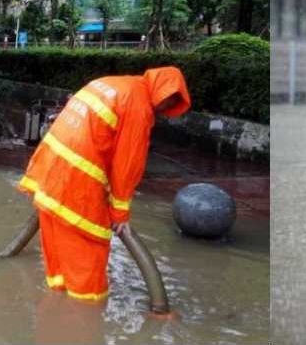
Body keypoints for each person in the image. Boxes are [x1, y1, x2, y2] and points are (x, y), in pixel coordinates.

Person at [18, 67, 190, 302]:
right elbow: (126, 166)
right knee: (90, 248)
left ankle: (56, 316)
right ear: (160, 88)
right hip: (74, 185)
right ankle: (86, 315)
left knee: (58, 260)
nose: (165, 107)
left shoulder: (114, 83)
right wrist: (120, 214)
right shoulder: (138, 107)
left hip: (49, 173)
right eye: (168, 99)